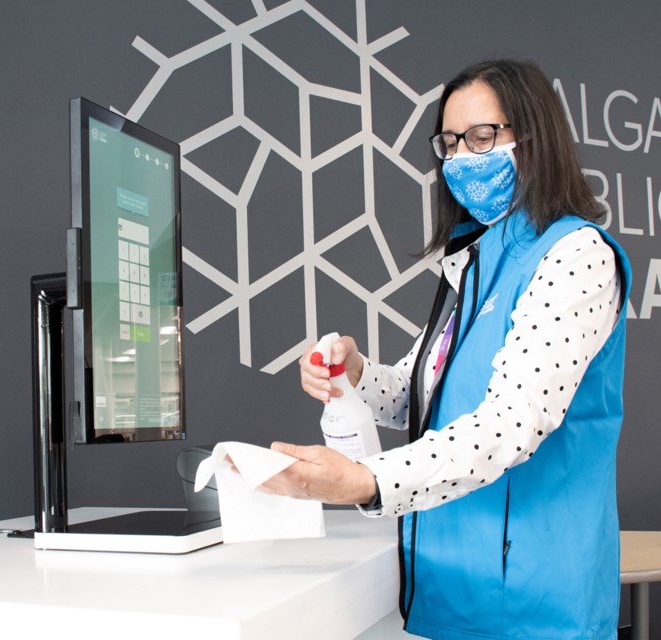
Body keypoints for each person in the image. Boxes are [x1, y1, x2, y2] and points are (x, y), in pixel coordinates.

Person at [261, 59, 631, 640]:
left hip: (534, 605)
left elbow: (510, 424)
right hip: (451, 590)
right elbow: (420, 397)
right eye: (451, 142)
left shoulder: (575, 256)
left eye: (484, 137)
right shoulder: (474, 264)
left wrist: (364, 480)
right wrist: (356, 373)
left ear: (535, 139)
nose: (462, 157)